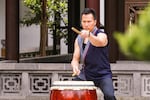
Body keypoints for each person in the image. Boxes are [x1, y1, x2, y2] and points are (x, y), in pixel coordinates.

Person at [71, 8, 116, 100]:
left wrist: (89, 35)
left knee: (110, 96)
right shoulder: (79, 39)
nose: (86, 24)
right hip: (86, 74)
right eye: (84, 21)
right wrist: (75, 67)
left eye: (89, 21)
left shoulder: (101, 35)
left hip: (103, 74)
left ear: (95, 22)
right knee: (72, 90)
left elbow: (99, 42)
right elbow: (75, 59)